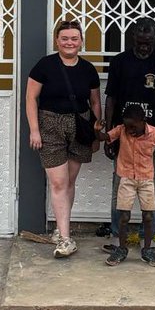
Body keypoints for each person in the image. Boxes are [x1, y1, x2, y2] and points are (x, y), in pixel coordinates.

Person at [25, 19, 102, 259]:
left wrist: (96, 131)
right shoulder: (44, 66)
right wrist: (34, 130)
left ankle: (61, 229)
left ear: (81, 42)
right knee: (58, 183)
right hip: (50, 126)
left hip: (80, 126)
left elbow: (95, 102)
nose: (70, 42)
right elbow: (30, 98)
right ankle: (66, 240)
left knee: (69, 182)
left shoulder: (88, 69)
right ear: (57, 40)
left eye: (74, 38)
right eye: (65, 38)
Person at [102, 17, 155, 252]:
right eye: (140, 41)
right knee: (119, 188)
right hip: (123, 138)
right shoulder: (119, 62)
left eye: (148, 42)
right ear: (132, 37)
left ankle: (148, 239)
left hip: (152, 139)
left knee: (151, 191)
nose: (144, 46)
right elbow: (111, 98)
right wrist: (108, 134)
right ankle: (117, 237)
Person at [98, 103, 155, 266]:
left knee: (148, 216)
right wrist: (97, 130)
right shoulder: (121, 130)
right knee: (123, 216)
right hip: (126, 178)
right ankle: (121, 248)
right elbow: (104, 137)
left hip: (146, 180)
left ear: (143, 121)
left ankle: (147, 249)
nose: (130, 130)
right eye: (127, 126)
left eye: (133, 126)